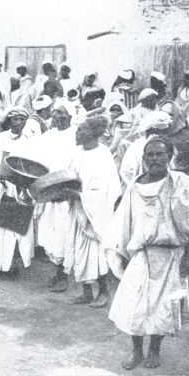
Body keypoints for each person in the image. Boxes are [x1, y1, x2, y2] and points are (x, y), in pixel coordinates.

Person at [108, 137, 189, 370]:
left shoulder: (181, 183)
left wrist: (187, 258)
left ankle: (155, 350)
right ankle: (136, 351)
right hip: (142, 254)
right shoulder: (135, 186)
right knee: (134, 304)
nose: (154, 159)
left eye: (159, 154)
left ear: (169, 156)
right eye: (150, 155)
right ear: (144, 159)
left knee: (161, 308)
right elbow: (124, 221)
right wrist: (120, 253)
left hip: (172, 255)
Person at [63, 116, 121, 307]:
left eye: (81, 130)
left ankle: (103, 292)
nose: (78, 133)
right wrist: (69, 192)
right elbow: (69, 177)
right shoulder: (76, 154)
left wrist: (82, 196)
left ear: (93, 133)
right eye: (78, 130)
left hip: (96, 213)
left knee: (97, 253)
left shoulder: (103, 155)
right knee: (78, 250)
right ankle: (86, 292)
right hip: (78, 210)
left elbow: (111, 188)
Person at [0, 107, 35, 277]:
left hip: (19, 188)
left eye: (22, 120)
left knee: (14, 231)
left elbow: (32, 164)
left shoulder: (30, 140)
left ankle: (10, 266)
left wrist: (22, 181)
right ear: (9, 121)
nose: (18, 123)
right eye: (15, 119)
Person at [32, 106, 77, 292]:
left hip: (68, 190)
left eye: (61, 113)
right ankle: (59, 272)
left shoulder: (77, 134)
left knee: (66, 232)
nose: (57, 117)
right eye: (54, 113)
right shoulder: (48, 136)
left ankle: (65, 275)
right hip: (49, 188)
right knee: (52, 233)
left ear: (70, 115)